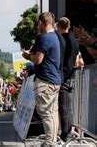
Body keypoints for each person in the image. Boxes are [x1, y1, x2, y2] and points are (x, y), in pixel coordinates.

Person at [22, 12, 62, 146]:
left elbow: (38, 59)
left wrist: (28, 56)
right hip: (55, 79)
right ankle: (53, 139)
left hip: (45, 80)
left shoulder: (45, 38)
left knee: (44, 111)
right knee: (52, 111)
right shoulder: (56, 36)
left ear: (41, 23)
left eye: (38, 24)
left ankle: (50, 142)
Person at [56, 17, 83, 141]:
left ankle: (65, 135)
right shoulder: (75, 41)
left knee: (63, 107)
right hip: (72, 75)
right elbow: (77, 58)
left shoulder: (60, 40)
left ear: (58, 26)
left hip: (64, 75)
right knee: (69, 106)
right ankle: (68, 131)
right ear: (69, 26)